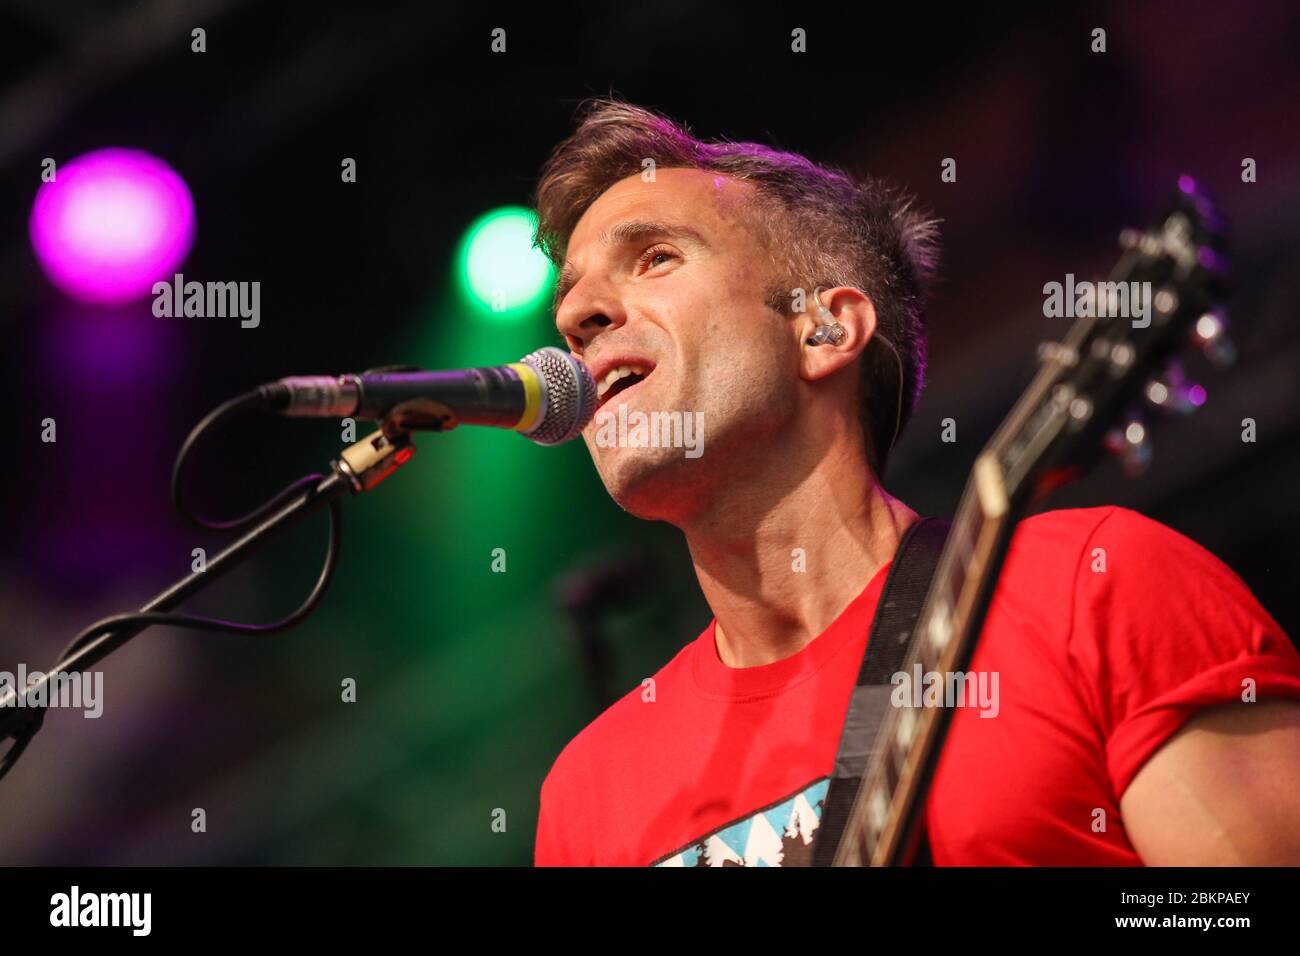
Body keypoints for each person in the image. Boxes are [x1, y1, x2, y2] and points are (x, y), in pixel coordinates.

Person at [531, 98, 1300, 866]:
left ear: (824, 330)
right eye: (571, 296)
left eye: (656, 256)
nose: (577, 315)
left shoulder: (1094, 584)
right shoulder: (587, 795)